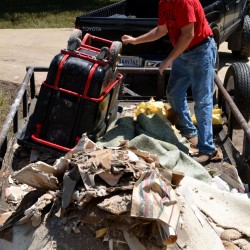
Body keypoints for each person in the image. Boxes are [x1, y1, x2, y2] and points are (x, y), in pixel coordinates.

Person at [121, 0, 218, 165]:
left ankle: (207, 149)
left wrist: (168, 59)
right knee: (173, 93)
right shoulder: (164, 3)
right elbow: (161, 30)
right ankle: (189, 131)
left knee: (202, 101)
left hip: (201, 52)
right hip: (183, 52)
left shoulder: (184, 2)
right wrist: (135, 40)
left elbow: (188, 34)